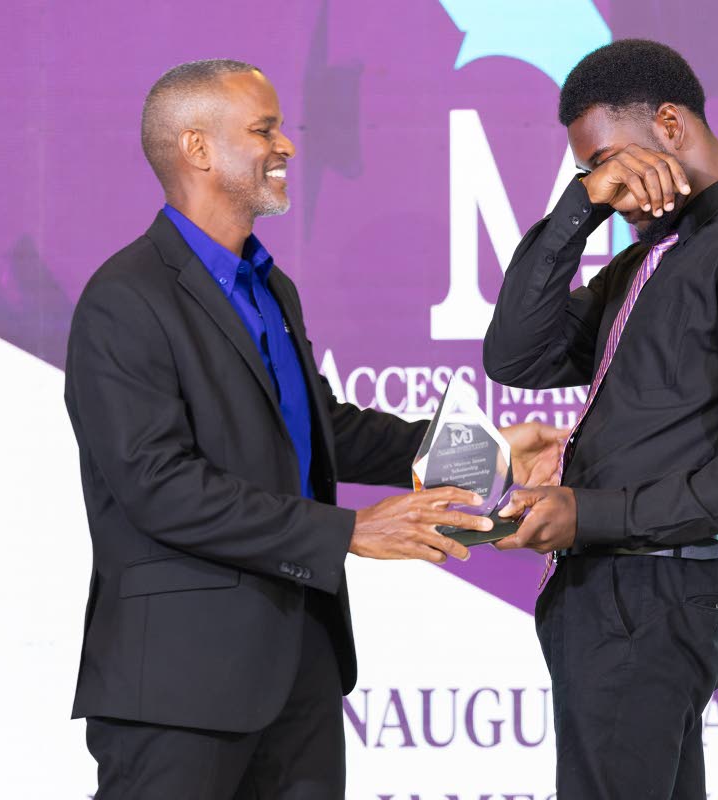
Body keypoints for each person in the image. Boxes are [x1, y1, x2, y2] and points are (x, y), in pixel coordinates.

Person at [64, 59, 563, 799]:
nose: (288, 146)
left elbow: (322, 429)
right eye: (264, 129)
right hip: (177, 690)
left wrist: (483, 452)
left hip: (301, 665)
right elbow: (159, 487)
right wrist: (348, 532)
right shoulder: (124, 300)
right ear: (197, 148)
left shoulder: (271, 288)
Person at [484, 40, 718, 798]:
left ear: (670, 125)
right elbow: (516, 356)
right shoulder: (658, 254)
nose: (606, 183)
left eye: (609, 160)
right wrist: (579, 209)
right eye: (590, 171)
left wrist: (590, 515)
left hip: (650, 596)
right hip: (610, 597)